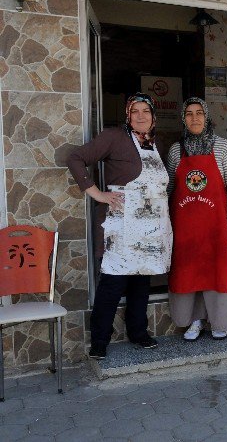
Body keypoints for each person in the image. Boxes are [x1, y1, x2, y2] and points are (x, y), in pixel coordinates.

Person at [67, 93, 173, 359]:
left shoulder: (156, 142)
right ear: (127, 114)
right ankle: (100, 340)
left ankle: (138, 332)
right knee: (113, 282)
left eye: (145, 111)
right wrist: (98, 194)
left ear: (153, 116)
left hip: (152, 225)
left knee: (142, 280)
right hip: (124, 224)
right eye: (134, 111)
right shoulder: (114, 137)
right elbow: (75, 158)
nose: (140, 116)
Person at [166, 97, 227, 341]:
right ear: (183, 118)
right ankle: (194, 320)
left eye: (199, 113)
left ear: (207, 116)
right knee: (188, 273)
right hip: (185, 229)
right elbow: (168, 189)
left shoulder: (223, 147)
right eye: (189, 113)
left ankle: (219, 321)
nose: (195, 118)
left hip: (215, 228)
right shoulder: (176, 150)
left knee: (216, 272)